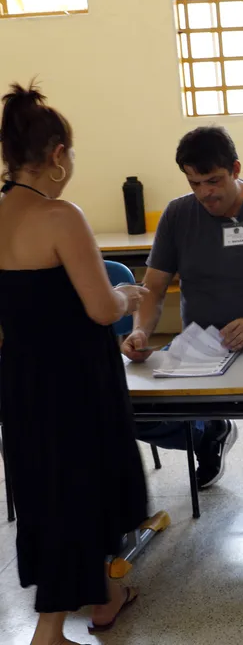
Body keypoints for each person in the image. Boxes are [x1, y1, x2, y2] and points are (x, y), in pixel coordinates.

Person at [0, 83, 148, 643]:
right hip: (76, 383)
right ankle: (49, 633)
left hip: (22, 379)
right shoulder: (60, 215)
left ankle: (105, 595)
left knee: (46, 488)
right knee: (80, 491)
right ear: (58, 154)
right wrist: (128, 300)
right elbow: (99, 306)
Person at [121, 126, 243, 524]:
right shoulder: (179, 214)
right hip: (200, 341)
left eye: (214, 181)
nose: (205, 193)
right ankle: (205, 435)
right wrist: (142, 330)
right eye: (195, 183)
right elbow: (154, 289)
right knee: (128, 404)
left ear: (235, 169)